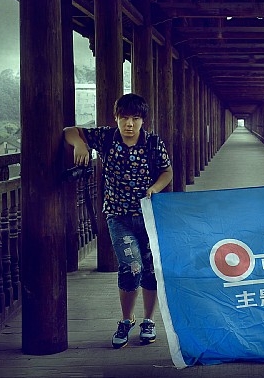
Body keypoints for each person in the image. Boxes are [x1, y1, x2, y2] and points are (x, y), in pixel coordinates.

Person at [64, 93, 173, 349]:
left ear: (143, 120)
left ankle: (148, 320)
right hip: (118, 216)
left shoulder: (153, 143)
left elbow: (167, 171)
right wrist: (80, 145)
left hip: (148, 216)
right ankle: (126, 319)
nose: (129, 124)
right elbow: (70, 131)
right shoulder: (106, 138)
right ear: (116, 118)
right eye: (124, 118)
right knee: (131, 266)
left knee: (150, 269)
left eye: (135, 118)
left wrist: (155, 188)